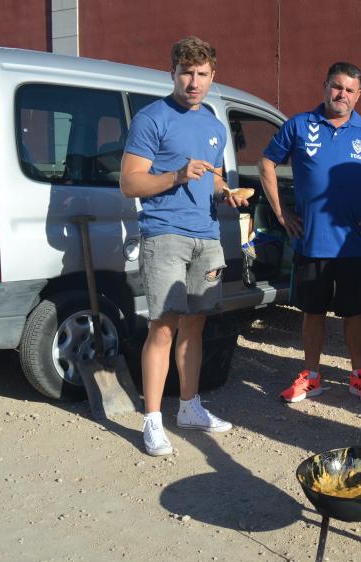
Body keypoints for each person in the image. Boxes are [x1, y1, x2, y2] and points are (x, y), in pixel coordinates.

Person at [120, 36, 249, 456]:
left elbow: (212, 177)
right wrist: (176, 175)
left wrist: (226, 192)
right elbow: (130, 183)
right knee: (163, 327)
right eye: (186, 73)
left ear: (213, 76)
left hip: (206, 235)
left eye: (202, 74)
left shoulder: (213, 125)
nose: (194, 82)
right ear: (172, 73)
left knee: (195, 325)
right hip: (164, 234)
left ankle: (190, 407)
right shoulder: (151, 118)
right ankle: (153, 419)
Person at [259, 62, 361, 404]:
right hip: (311, 241)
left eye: (350, 90)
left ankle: (358, 376)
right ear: (325, 85)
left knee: (355, 313)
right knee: (313, 312)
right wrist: (281, 212)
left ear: (358, 95)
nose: (342, 94)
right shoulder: (298, 125)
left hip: (353, 244)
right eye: (337, 87)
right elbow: (266, 163)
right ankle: (311, 376)